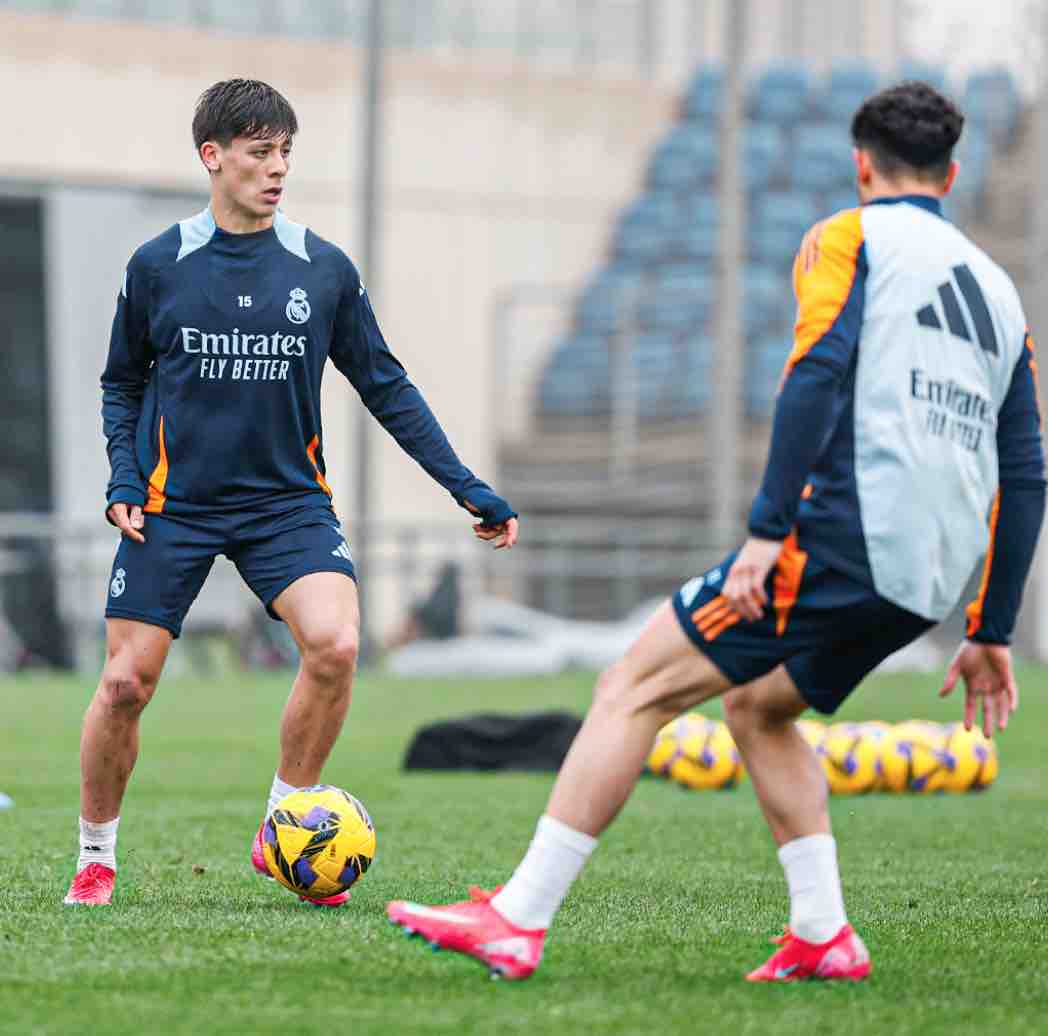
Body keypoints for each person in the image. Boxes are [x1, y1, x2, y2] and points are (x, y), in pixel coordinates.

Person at [387, 81, 1045, 981]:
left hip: (843, 540)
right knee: (759, 707)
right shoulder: (1001, 294)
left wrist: (768, 535)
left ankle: (517, 917)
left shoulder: (849, 237)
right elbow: (1028, 468)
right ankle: (824, 935)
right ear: (953, 172)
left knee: (632, 685)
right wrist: (990, 626)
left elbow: (815, 373)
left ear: (862, 165)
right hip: (928, 578)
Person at [64, 79, 518, 907]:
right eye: (260, 153)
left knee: (337, 644)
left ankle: (283, 824)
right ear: (214, 157)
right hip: (174, 503)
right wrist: (123, 478)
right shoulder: (159, 265)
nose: (278, 170)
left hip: (287, 505)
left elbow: (387, 385)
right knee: (126, 683)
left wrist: (467, 487)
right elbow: (120, 384)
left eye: (285, 154)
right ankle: (97, 854)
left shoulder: (323, 269)